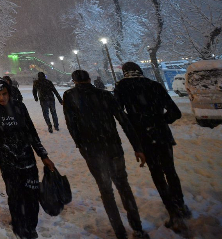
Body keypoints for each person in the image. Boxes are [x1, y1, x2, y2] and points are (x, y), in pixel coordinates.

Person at [63, 70, 150, 239]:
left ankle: (119, 232)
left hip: (92, 149)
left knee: (106, 190)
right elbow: (123, 120)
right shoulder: (104, 95)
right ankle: (137, 228)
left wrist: (81, 145)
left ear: (74, 81)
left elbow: (71, 123)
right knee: (124, 187)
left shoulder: (70, 96)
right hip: (112, 146)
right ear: (89, 79)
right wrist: (137, 146)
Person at [115, 62, 189, 233]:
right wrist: (161, 121)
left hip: (143, 139)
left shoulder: (122, 88)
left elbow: (119, 113)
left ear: (125, 73)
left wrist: (135, 122)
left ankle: (173, 213)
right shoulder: (154, 85)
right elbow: (175, 113)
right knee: (170, 171)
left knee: (157, 174)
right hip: (162, 136)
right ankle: (181, 205)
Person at [0, 79, 55, 239]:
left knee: (32, 194)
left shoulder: (19, 107)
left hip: (26, 157)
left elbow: (31, 132)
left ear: (9, 92)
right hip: (7, 161)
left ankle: (31, 226)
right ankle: (20, 227)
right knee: (15, 195)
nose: (2, 98)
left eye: (4, 94)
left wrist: (43, 155)